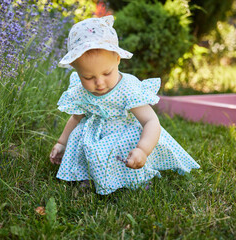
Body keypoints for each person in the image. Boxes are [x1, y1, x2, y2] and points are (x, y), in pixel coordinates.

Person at [49, 15, 200, 195]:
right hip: (94, 134)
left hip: (123, 132)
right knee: (83, 140)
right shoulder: (80, 91)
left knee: (126, 143)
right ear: (75, 69)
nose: (99, 83)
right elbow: (75, 119)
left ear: (118, 59)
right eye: (88, 77)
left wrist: (143, 149)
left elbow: (151, 121)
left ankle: (135, 178)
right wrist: (61, 143)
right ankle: (90, 177)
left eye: (107, 73)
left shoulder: (127, 88)